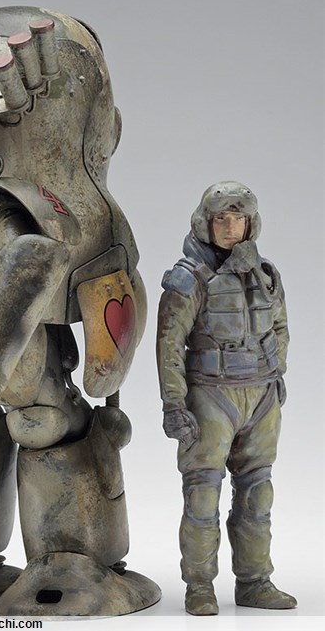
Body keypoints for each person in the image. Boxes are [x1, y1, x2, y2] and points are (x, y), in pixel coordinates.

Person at [156, 181, 297, 615]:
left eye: (239, 218)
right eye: (222, 218)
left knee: (258, 494)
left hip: (261, 395)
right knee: (202, 496)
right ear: (206, 222)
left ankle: (255, 581)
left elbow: (279, 327)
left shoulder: (266, 274)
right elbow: (169, 345)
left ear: (251, 223)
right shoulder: (189, 277)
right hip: (210, 396)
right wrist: (174, 404)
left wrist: (276, 373)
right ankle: (200, 586)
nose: (231, 226)